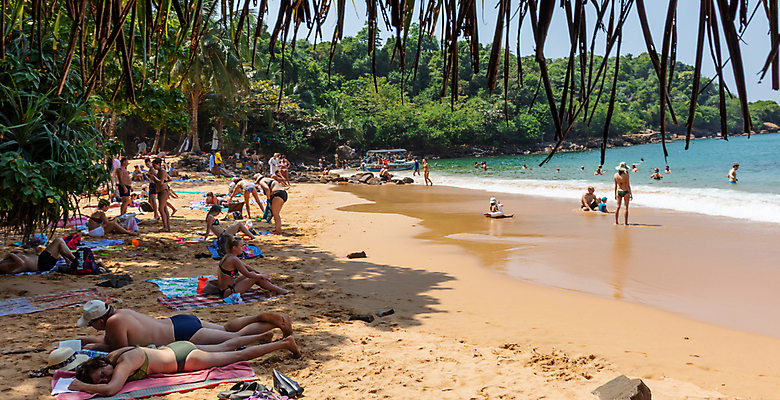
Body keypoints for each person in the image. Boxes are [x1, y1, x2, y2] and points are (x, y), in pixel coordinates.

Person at [69, 337, 299, 396]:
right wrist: (88, 380)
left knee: (235, 355)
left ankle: (283, 343)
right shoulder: (113, 356)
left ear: (100, 364)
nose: (104, 379)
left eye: (101, 375)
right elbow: (105, 383)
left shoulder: (123, 364)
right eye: (100, 380)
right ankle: (265, 335)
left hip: (184, 360)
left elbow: (111, 390)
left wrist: (83, 386)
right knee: (226, 345)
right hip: (175, 348)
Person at [75, 300, 291, 352]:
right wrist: (81, 343)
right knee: (226, 329)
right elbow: (107, 341)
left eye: (92, 324)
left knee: (231, 339)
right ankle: (258, 318)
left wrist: (92, 348)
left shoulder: (113, 324)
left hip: (181, 335)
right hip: (179, 321)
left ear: (101, 320)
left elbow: (120, 350)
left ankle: (264, 330)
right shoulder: (121, 313)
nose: (92, 329)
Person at [204, 234, 289, 298]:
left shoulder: (228, 256)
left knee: (255, 274)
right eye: (241, 246)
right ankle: (278, 290)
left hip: (226, 289)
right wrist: (261, 276)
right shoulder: (233, 259)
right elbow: (248, 274)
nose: (243, 248)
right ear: (234, 247)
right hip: (228, 293)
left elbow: (247, 267)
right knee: (254, 277)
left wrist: (259, 274)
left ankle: (275, 288)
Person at [0, 237, 76, 274]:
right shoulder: (2, 267)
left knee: (59, 243)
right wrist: (10, 254)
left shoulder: (2, 262)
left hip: (41, 260)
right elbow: (20, 263)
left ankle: (70, 261)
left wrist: (18, 252)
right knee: (59, 241)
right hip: (42, 264)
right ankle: (75, 261)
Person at [152, 158, 171, 232]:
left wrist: (154, 178)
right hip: (160, 191)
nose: (153, 167)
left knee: (161, 209)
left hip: (163, 191)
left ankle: (166, 226)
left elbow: (161, 182)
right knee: (165, 209)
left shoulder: (162, 171)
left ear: (158, 164)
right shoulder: (159, 171)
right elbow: (169, 179)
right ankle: (167, 226)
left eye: (154, 165)